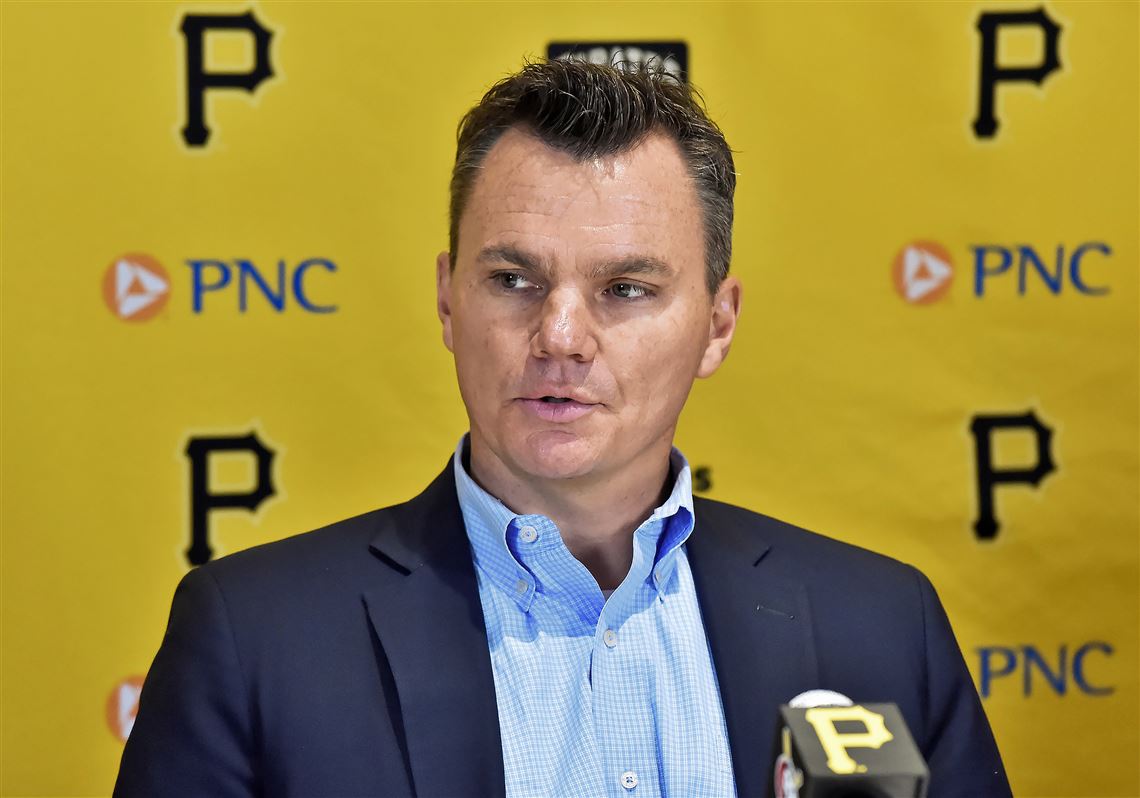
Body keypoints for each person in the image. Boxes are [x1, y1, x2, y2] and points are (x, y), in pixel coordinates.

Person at [116, 59, 1010, 798]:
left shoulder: (883, 625)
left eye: (626, 289)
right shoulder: (255, 639)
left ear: (718, 324)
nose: (561, 338)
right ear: (445, 298)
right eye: (513, 279)